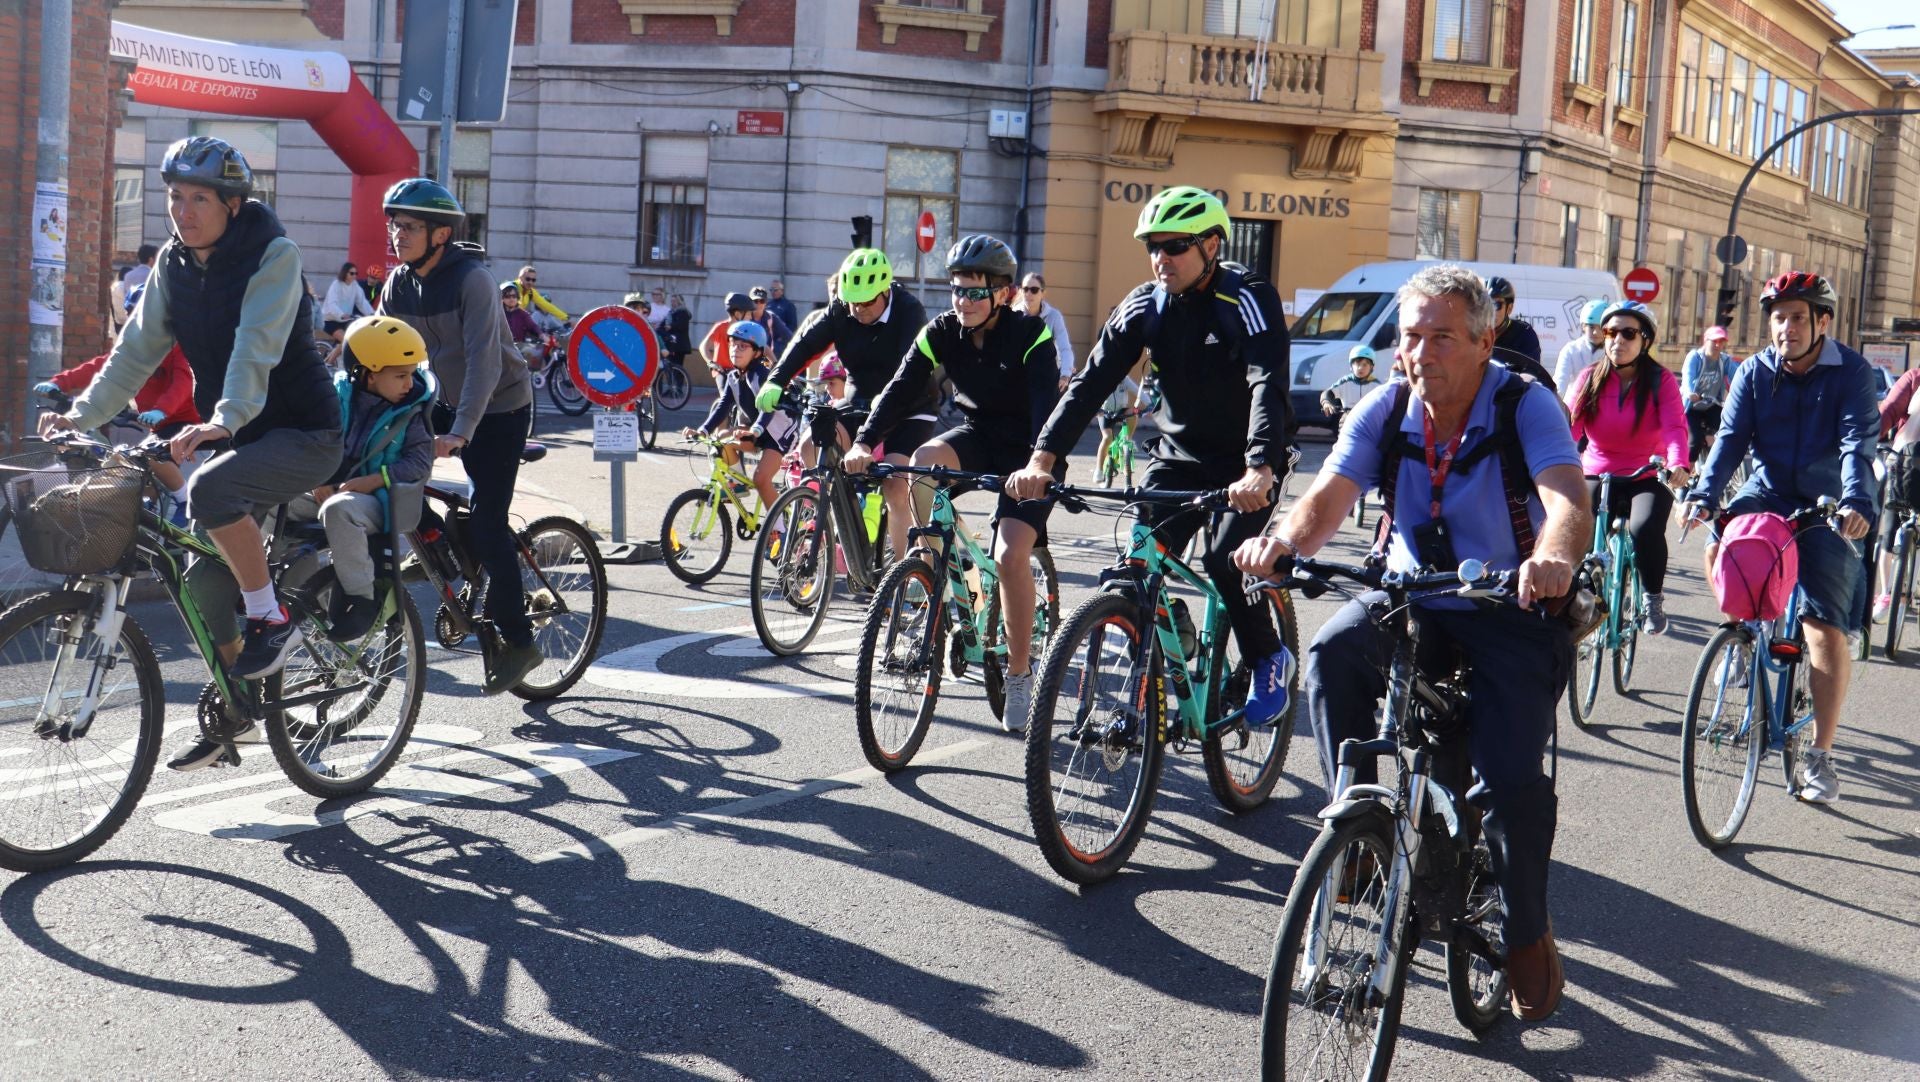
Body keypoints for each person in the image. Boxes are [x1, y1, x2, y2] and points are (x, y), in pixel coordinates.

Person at [1234, 263, 1590, 1023]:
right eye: (1410, 337)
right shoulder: (1387, 406)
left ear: (1485, 340)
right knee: (1332, 652)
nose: (1420, 353)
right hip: (1411, 598)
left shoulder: (1524, 404)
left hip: (1510, 605)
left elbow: (1566, 498)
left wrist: (1553, 558)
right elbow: (1328, 496)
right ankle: (1358, 830)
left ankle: (1527, 932)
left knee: (1508, 783)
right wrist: (1282, 543)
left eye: (1441, 338)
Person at [38, 135, 342, 771]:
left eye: (199, 198)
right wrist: (79, 415)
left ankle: (271, 617)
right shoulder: (174, 264)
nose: (183, 210)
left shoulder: (273, 254)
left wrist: (222, 420)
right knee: (199, 578)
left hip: (304, 433)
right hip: (240, 436)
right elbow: (134, 351)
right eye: (175, 196)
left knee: (207, 491)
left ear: (232, 204)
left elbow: (255, 349)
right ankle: (241, 709)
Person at [1006, 185, 1294, 724]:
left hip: (1246, 460)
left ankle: (1268, 657)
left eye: (1175, 245)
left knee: (1227, 560)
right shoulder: (1146, 305)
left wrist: (1260, 467)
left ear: (1211, 245)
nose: (1161, 258)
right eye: (1153, 247)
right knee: (1135, 570)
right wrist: (1042, 459)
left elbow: (1267, 381)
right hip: (1178, 456)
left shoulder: (1247, 296)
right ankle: (1166, 650)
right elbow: (1088, 384)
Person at [845, 234, 1059, 730]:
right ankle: (932, 575)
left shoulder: (1032, 335)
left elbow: (1047, 411)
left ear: (1003, 293)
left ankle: (1020, 672)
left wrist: (1038, 465)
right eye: (957, 290)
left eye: (974, 292)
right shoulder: (942, 330)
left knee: (1009, 556)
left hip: (1032, 450)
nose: (962, 301)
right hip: (979, 435)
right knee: (921, 461)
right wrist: (864, 442)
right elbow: (900, 387)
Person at [1685, 271, 1878, 805]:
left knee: (1822, 627)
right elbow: (1729, 440)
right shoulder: (1754, 371)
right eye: (1777, 318)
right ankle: (1740, 636)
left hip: (1830, 500)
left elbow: (1856, 443)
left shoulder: (1852, 373)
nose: (1785, 328)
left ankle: (1820, 754)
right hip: (1767, 491)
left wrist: (1856, 502)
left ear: (1822, 321)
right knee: (1718, 543)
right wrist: (1704, 495)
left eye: (1797, 317)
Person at [379, 178, 542, 696]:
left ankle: (519, 641)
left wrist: (460, 432)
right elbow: (380, 350)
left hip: (501, 408)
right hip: (444, 400)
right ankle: (441, 545)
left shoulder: (474, 280)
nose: (398, 235)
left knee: (489, 524)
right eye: (394, 225)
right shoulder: (398, 284)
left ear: (441, 234)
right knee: (386, 470)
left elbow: (484, 363)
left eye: (409, 227)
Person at [756, 249, 931, 558]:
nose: (858, 309)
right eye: (853, 302)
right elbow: (806, 344)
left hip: (909, 405)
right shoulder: (841, 308)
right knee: (811, 446)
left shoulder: (909, 310)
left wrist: (885, 403)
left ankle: (903, 572)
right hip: (859, 401)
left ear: (885, 292)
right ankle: (846, 520)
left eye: (866, 302)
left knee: (895, 486)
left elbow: (910, 373)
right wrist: (776, 379)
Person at [286, 315, 436, 643]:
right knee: (274, 499)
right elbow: (312, 439)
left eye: (411, 374)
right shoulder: (335, 397)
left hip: (382, 500)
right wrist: (317, 478)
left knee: (338, 510)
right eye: (400, 376)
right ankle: (285, 589)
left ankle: (361, 600)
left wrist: (376, 480)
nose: (409, 384)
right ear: (367, 374)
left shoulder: (411, 411)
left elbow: (420, 464)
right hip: (333, 491)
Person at [1565, 300, 1690, 634]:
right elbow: (1569, 428)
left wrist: (1678, 463)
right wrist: (1556, 462)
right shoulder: (1589, 378)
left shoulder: (1661, 380)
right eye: (1610, 332)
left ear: (1645, 340)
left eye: (1628, 333)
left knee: (1644, 528)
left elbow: (1675, 428)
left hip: (1645, 473)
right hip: (1598, 471)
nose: (1617, 340)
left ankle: (1652, 599)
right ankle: (1574, 595)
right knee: (1576, 525)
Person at [38, 344, 200, 524]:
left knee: (150, 456)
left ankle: (186, 502)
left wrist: (161, 410)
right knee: (136, 470)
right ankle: (149, 521)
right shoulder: (136, 346)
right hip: (159, 424)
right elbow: (102, 367)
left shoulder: (176, 348)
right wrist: (59, 382)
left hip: (188, 423)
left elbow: (183, 384)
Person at [687, 320, 801, 512]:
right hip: (759, 431)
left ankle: (779, 526)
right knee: (721, 438)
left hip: (780, 433)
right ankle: (738, 484)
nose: (735, 350)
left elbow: (767, 409)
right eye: (733, 344)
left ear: (756, 352)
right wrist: (702, 431)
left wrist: (754, 431)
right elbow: (723, 406)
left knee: (761, 479)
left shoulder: (762, 375)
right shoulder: (733, 376)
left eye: (743, 346)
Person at [1873, 366, 1920, 623]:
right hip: (1907, 465)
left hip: (1904, 462)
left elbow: (1889, 411)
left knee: (1890, 526)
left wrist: (1867, 439)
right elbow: (1888, 412)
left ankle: (1886, 594)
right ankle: (1892, 593)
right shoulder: (1914, 378)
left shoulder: (1914, 378)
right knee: (1893, 524)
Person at [1681, 325, 1740, 464]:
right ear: (1706, 341)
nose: (1718, 345)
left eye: (1721, 341)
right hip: (1692, 407)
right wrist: (1690, 393)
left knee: (1727, 432)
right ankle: (1686, 472)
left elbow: (1738, 378)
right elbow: (1688, 377)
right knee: (1694, 443)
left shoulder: (1725, 360)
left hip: (1712, 404)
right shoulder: (1695, 357)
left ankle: (1713, 466)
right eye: (1714, 341)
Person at [1487, 276, 1554, 392]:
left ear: (1509, 308)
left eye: (1496, 305)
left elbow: (1532, 375)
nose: (1491, 311)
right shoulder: (1473, 332)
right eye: (1486, 304)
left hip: (1511, 396)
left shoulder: (1524, 334)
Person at [1015, 273, 1077, 391]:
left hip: (1047, 376)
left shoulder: (1054, 316)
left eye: (1034, 290)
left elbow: (1064, 348)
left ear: (1043, 293)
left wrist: (1065, 375)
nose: (1028, 293)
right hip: (1019, 377)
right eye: (1025, 289)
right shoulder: (1014, 314)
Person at [1552, 298, 1610, 391]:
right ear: (1583, 326)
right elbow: (1560, 381)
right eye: (1591, 327)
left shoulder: (1612, 352)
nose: (1596, 332)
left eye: (1600, 328)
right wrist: (1557, 398)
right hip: (1575, 399)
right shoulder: (1571, 350)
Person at [1319, 344, 1382, 424]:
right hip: (1348, 418)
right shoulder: (1345, 381)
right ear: (1351, 366)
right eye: (1357, 364)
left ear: (1372, 367)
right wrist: (1326, 402)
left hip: (1369, 419)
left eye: (1364, 365)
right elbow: (1327, 393)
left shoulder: (1376, 385)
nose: (1360, 368)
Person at [322, 261, 376, 342]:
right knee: (347, 341)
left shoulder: (355, 285)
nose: (354, 276)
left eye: (356, 273)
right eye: (351, 273)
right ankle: (334, 351)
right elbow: (331, 304)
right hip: (330, 320)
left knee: (356, 338)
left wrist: (372, 314)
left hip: (345, 320)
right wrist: (341, 314)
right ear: (345, 273)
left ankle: (337, 350)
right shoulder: (336, 284)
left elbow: (362, 302)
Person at [702, 292, 756, 371]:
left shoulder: (748, 330)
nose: (751, 317)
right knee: (723, 379)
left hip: (740, 370)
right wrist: (710, 362)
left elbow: (762, 347)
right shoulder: (721, 327)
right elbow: (704, 346)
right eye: (748, 314)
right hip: (722, 370)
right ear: (737, 314)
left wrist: (772, 361)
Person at [515, 265, 569, 332]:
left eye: (533, 280)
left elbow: (546, 305)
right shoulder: (512, 289)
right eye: (527, 279)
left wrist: (566, 318)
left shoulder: (531, 292)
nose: (530, 282)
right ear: (520, 278)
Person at [502, 283, 547, 365]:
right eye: (507, 296)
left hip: (518, 349)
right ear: (502, 298)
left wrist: (541, 335)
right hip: (501, 349)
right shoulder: (497, 314)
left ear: (517, 297)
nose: (511, 299)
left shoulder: (523, 314)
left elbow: (533, 326)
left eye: (514, 296)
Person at [750, 286, 794, 356]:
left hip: (765, 358)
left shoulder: (771, 317)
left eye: (762, 301)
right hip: (746, 358)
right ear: (750, 302)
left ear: (766, 303)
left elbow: (789, 336)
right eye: (755, 301)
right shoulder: (743, 317)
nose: (758, 304)